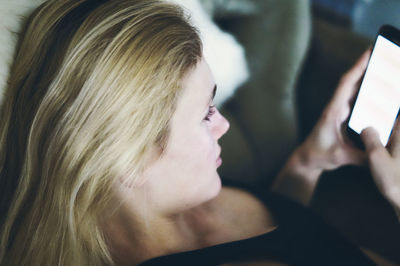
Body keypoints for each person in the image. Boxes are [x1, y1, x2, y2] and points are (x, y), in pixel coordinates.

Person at [0, 0, 398, 265]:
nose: (223, 123)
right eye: (206, 113)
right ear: (128, 157)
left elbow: (285, 243)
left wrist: (308, 163)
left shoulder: (175, 195)